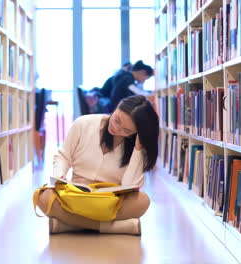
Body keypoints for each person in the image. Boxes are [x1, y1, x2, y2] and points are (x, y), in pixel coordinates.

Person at [34, 95, 159, 235]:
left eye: (127, 131)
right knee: (43, 196)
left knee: (142, 201)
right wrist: (59, 176)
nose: (116, 129)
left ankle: (69, 225)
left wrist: (138, 150)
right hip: (77, 196)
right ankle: (112, 227)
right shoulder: (83, 124)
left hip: (109, 201)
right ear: (116, 108)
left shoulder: (136, 146)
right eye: (116, 120)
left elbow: (130, 186)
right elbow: (63, 156)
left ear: (136, 133)